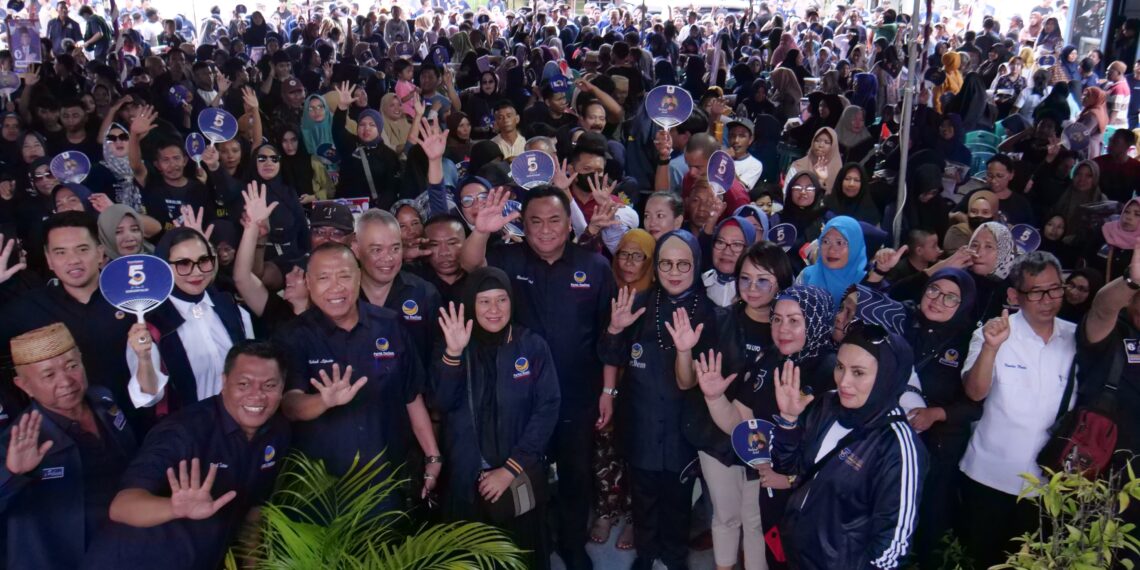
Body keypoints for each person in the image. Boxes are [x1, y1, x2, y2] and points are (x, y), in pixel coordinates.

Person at [460, 185, 615, 569]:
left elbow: (610, 332)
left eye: (554, 220)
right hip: (518, 400)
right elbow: (469, 266)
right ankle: (537, 544)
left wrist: (609, 389)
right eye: (535, 221)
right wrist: (480, 230)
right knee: (525, 473)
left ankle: (573, 545)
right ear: (523, 225)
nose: (545, 230)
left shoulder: (595, 266)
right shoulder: (507, 260)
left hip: (578, 396)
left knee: (576, 475)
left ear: (569, 223)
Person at [715, 319, 925, 568]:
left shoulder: (897, 446)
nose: (843, 381)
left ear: (888, 376)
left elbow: (892, 547)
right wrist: (789, 421)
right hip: (794, 553)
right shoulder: (827, 404)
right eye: (840, 367)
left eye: (858, 372)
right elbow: (787, 467)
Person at [83, 341, 292, 568]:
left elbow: (253, 512)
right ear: (224, 382)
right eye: (244, 384)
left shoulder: (277, 433)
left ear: (282, 388)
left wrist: (252, 566)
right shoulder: (183, 431)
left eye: (269, 386)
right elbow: (122, 507)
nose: (256, 395)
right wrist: (174, 508)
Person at [275, 243, 441, 505]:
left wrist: (432, 456)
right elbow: (289, 405)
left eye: (344, 275)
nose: (336, 287)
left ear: (359, 276)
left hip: (388, 479)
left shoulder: (390, 324)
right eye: (324, 278)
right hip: (322, 488)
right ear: (308, 282)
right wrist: (323, 401)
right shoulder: (292, 336)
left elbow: (411, 395)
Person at [600, 229, 718, 570]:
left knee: (678, 500)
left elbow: (693, 380)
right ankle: (647, 554)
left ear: (696, 265)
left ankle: (674, 556)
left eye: (683, 264)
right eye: (666, 263)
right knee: (644, 498)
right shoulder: (638, 303)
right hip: (641, 421)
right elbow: (611, 355)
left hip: (684, 427)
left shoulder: (708, 312)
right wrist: (615, 329)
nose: (674, 271)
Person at [433, 269, 560, 569]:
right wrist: (453, 353)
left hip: (517, 475)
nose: (494, 310)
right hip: (467, 479)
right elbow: (440, 402)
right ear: (470, 305)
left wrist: (510, 469)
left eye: (502, 300)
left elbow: (548, 408)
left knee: (523, 555)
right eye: (484, 302)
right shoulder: (455, 342)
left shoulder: (532, 346)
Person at [960, 251, 1076, 568]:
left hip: (1048, 487)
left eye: (1055, 289)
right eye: (1036, 292)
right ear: (1015, 295)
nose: (1048, 299)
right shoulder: (994, 333)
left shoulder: (1075, 337)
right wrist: (991, 347)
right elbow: (974, 391)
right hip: (989, 479)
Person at [0, 323, 138, 569]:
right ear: (24, 386)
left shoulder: (103, 400)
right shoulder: (18, 441)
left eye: (72, 366)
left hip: (129, 543)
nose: (66, 381)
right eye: (49, 375)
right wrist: (12, 474)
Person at [127, 227, 255, 412]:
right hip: (189, 433)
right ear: (164, 266)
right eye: (183, 263)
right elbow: (149, 398)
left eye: (203, 261)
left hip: (240, 422)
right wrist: (144, 358)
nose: (197, 272)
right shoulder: (151, 325)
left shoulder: (230, 307)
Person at [905, 268, 982, 568]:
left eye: (951, 298)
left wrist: (936, 414)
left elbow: (976, 404)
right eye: (933, 290)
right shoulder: (904, 322)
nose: (938, 300)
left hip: (939, 450)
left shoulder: (969, 341)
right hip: (894, 443)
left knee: (929, 525)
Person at [352, 209, 442, 365]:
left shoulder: (425, 294)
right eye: (377, 250)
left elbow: (438, 356)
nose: (388, 258)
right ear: (356, 249)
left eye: (395, 248)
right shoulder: (342, 296)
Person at [797, 216, 871, 307]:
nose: (831, 250)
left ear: (855, 246)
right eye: (826, 242)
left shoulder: (866, 284)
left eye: (839, 243)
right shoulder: (807, 275)